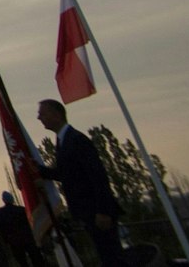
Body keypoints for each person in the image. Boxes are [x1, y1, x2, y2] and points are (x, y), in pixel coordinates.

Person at [35, 99, 126, 267]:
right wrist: (37, 169)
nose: (39, 117)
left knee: (113, 257)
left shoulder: (76, 140)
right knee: (107, 257)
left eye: (43, 113)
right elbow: (67, 173)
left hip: (96, 210)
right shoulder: (63, 141)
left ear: (56, 114)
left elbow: (97, 176)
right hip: (87, 210)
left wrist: (103, 210)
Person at [0, 192, 45, 267]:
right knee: (36, 258)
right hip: (27, 238)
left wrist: (5, 240)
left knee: (22, 261)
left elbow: (0, 228)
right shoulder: (22, 210)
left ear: (3, 200)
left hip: (13, 240)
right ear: (12, 199)